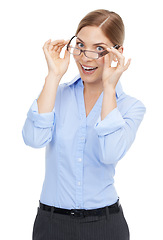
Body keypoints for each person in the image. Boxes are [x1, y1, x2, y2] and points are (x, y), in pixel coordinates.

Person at [22, 9, 146, 240]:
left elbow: (110, 153)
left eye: (99, 49)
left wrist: (109, 87)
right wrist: (53, 76)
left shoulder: (131, 107)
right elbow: (33, 139)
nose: (86, 57)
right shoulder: (56, 95)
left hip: (105, 226)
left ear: (117, 52)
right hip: (51, 225)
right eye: (80, 45)